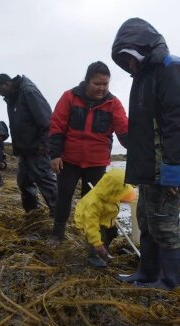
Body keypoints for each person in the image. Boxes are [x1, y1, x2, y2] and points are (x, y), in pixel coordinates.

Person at [111, 18, 180, 290]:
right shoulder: (143, 77)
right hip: (150, 166)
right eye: (123, 60)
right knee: (146, 218)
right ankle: (146, 273)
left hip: (168, 165)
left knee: (165, 223)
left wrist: (174, 173)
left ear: (142, 47)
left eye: (129, 57)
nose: (128, 64)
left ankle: (168, 282)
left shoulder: (172, 68)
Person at [48, 61, 129, 244]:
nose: (102, 88)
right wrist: (55, 155)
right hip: (68, 160)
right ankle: (57, 233)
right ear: (87, 81)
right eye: (97, 84)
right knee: (64, 195)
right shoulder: (69, 97)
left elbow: (124, 131)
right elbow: (56, 127)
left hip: (96, 162)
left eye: (105, 84)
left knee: (93, 201)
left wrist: (138, 149)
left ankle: (91, 238)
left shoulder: (113, 103)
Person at [0, 73, 57, 217]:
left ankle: (58, 214)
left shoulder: (28, 92)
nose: (0, 93)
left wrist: (44, 144)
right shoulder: (13, 96)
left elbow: (47, 120)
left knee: (45, 180)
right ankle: (33, 213)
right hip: (24, 149)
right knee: (23, 181)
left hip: (38, 148)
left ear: (7, 83)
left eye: (0, 89)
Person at [74, 168, 136, 268]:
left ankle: (104, 250)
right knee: (98, 236)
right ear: (113, 191)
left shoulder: (112, 193)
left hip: (105, 218)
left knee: (112, 232)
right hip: (89, 222)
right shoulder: (93, 203)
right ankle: (94, 256)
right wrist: (97, 244)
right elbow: (91, 227)